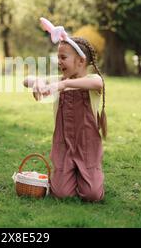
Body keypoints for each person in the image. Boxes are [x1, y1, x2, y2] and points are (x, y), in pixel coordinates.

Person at [24, 18, 107, 202]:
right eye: (58, 57)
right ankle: (68, 174)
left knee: (92, 195)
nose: (59, 62)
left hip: (87, 145)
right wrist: (37, 82)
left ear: (80, 61)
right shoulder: (58, 79)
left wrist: (62, 85)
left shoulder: (91, 80)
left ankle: (90, 174)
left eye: (63, 58)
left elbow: (97, 82)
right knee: (61, 193)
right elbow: (26, 80)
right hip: (63, 144)